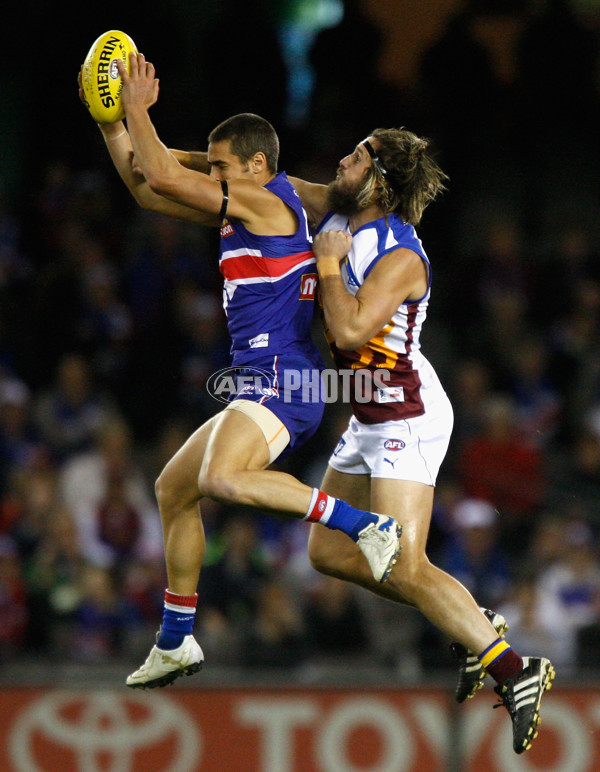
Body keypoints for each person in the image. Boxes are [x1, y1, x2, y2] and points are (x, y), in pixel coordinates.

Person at [78, 53, 401, 688]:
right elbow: (147, 188)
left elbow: (167, 175)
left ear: (257, 166)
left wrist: (138, 109)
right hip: (262, 382)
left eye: (223, 165)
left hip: (285, 379)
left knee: (223, 478)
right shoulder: (244, 210)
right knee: (175, 488)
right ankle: (176, 639)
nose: (215, 174)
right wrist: (112, 124)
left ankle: (364, 524)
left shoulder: (272, 206)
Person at [286, 129, 555, 755]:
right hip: (370, 412)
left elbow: (351, 330)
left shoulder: (403, 256)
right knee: (327, 553)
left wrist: (327, 263)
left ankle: (515, 669)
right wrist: (149, 140)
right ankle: (466, 619)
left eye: (356, 157)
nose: (341, 161)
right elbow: (252, 182)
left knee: (404, 562)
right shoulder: (338, 207)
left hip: (406, 415)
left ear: (379, 181)